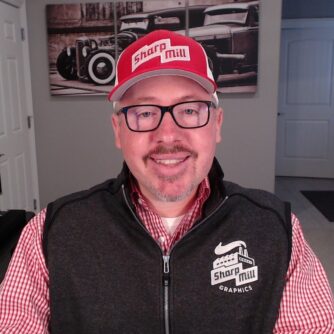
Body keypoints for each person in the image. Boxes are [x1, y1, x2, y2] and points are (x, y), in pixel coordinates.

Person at [0, 30, 333, 334]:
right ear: (118, 130)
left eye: (189, 110)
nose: (168, 135)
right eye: (145, 112)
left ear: (216, 124)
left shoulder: (276, 229)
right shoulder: (50, 233)